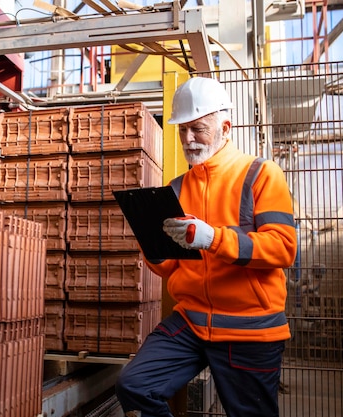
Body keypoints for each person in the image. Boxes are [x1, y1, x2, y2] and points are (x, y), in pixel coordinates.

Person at [115, 76, 297, 417]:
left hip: (250, 327)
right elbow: (172, 266)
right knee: (135, 385)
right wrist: (153, 249)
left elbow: (283, 248)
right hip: (193, 320)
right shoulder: (177, 187)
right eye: (182, 130)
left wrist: (213, 238)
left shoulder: (261, 174)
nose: (188, 139)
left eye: (198, 128)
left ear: (225, 128)